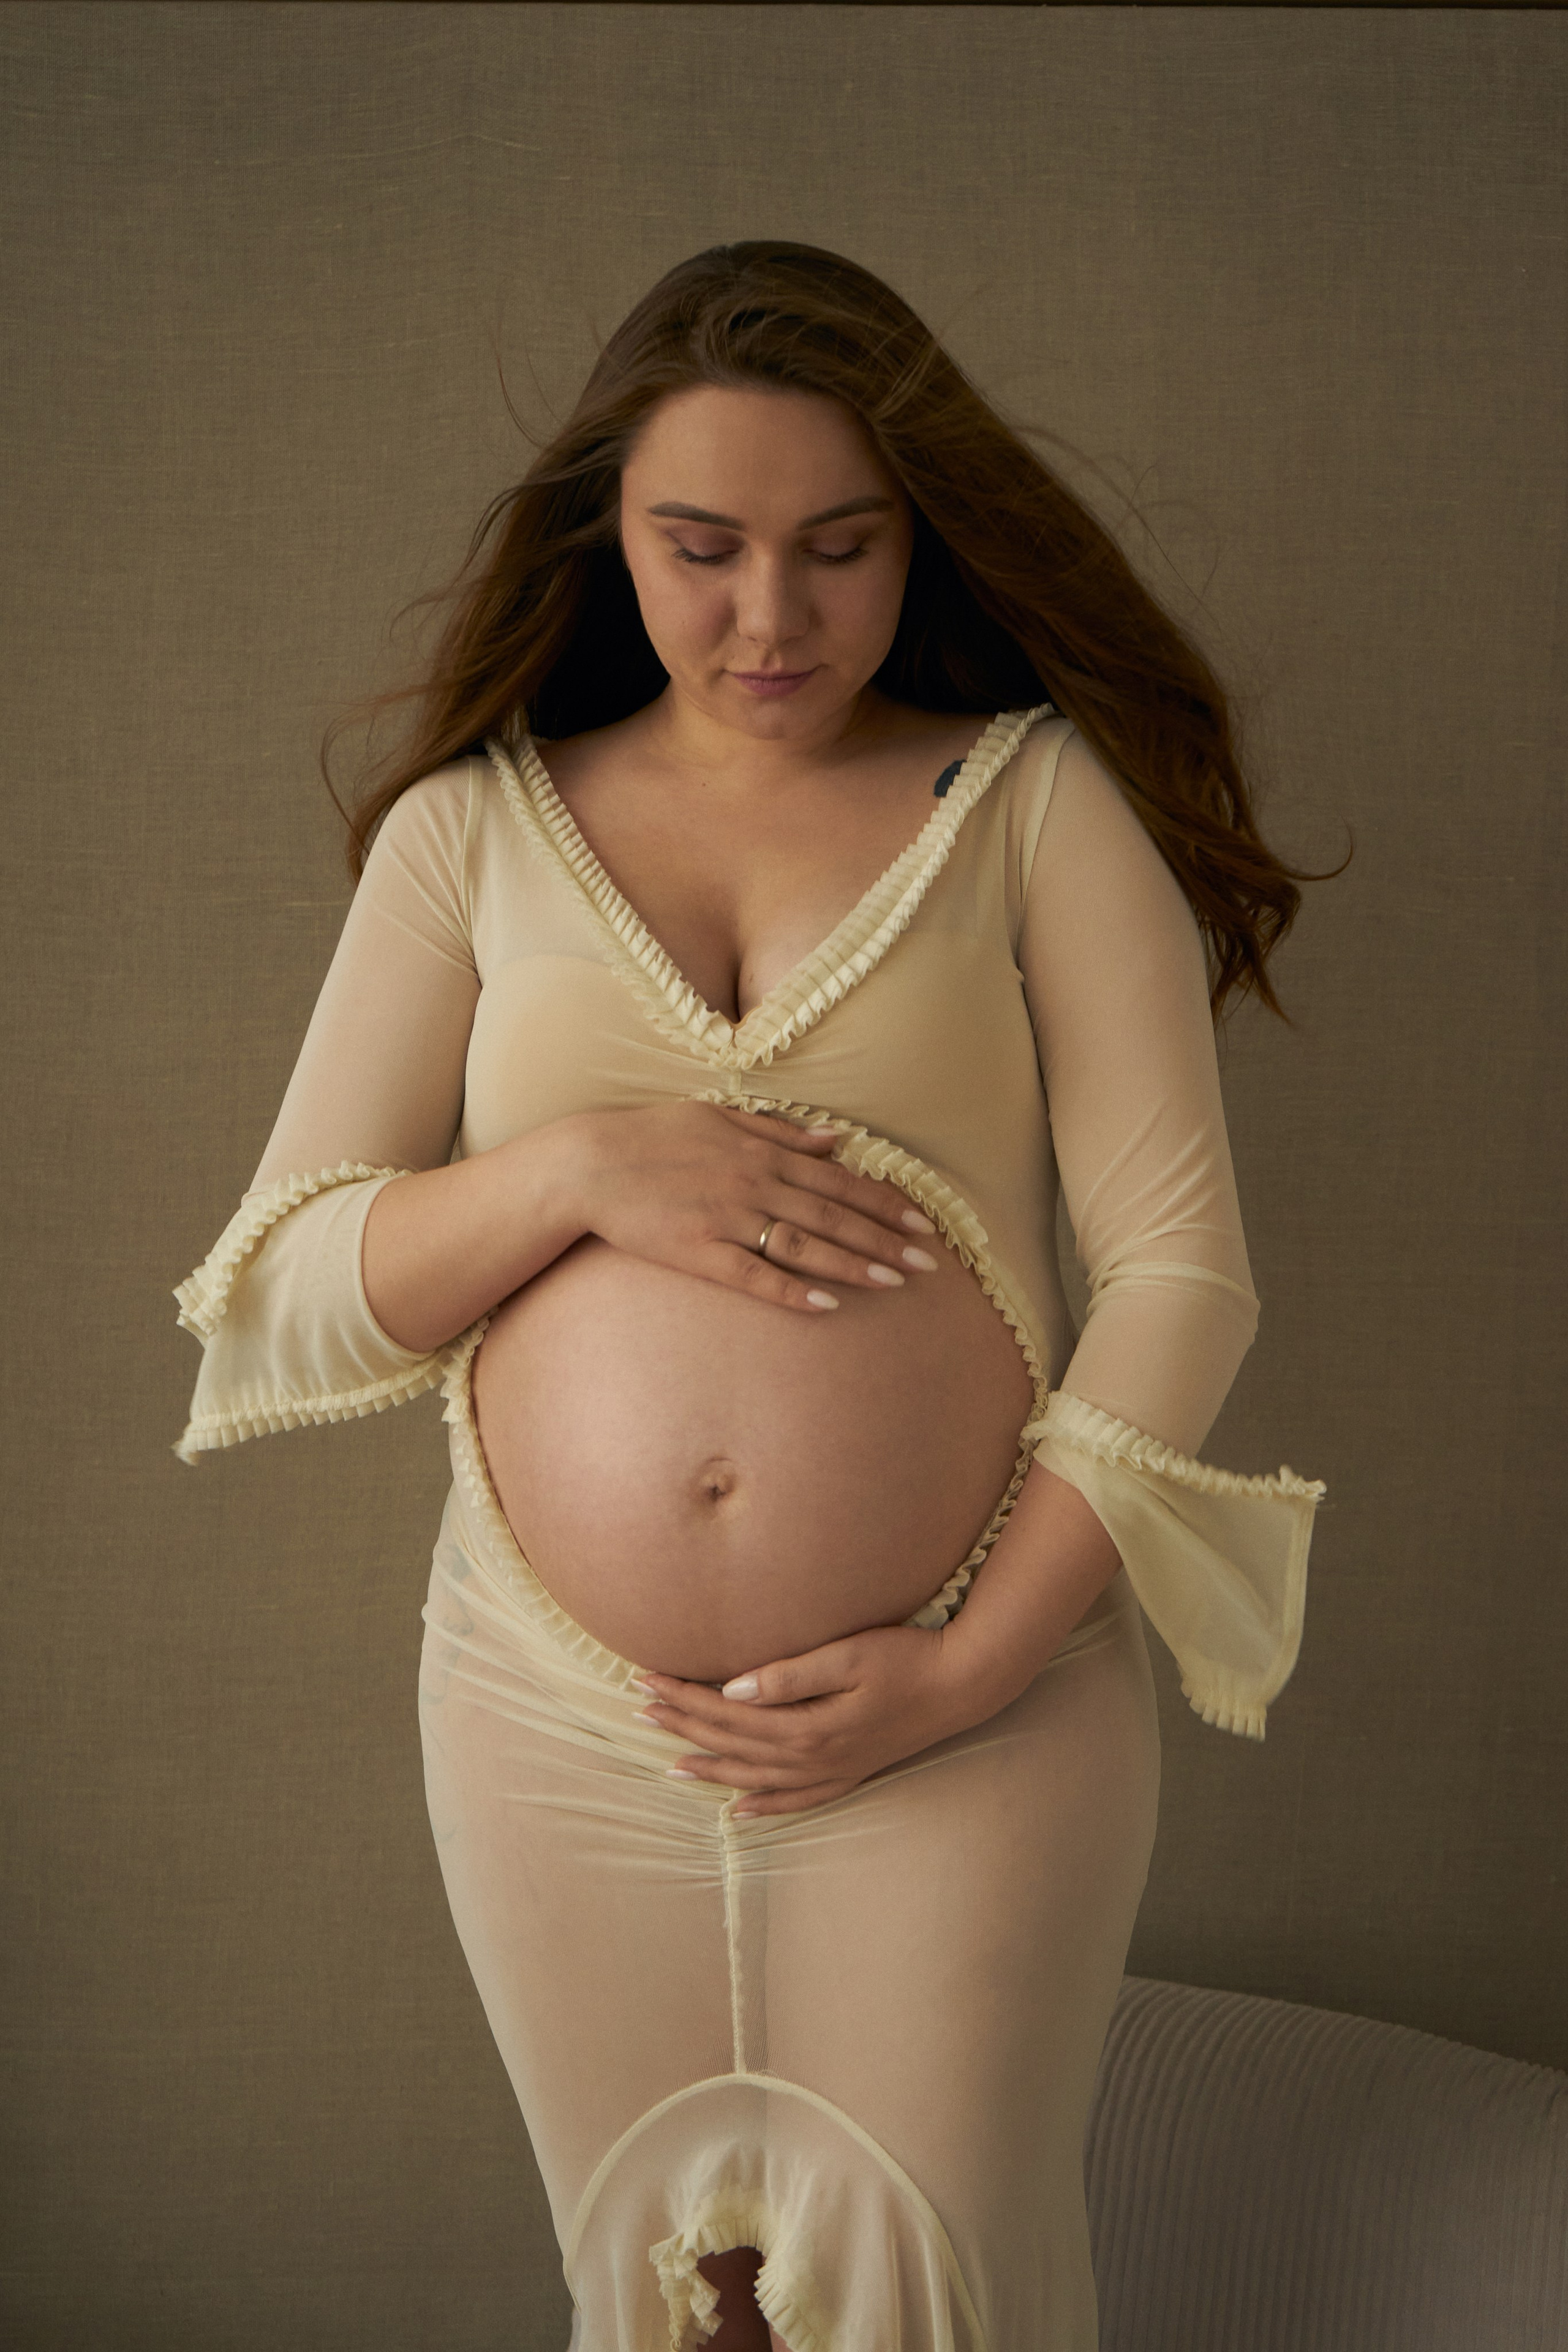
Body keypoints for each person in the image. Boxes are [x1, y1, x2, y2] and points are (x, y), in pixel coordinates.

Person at [173, 241, 1327, 2351]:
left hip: (973, 1716)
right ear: (608, 536)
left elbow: (1182, 1280)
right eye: (701, 549)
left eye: (841, 549)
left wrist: (972, 1666)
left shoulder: (1029, 803)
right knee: (659, 2303)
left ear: (919, 542)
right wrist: (576, 1170)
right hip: (550, 1722)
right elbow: (283, 1293)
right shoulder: (472, 839)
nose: (771, 616)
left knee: (932, 2290)